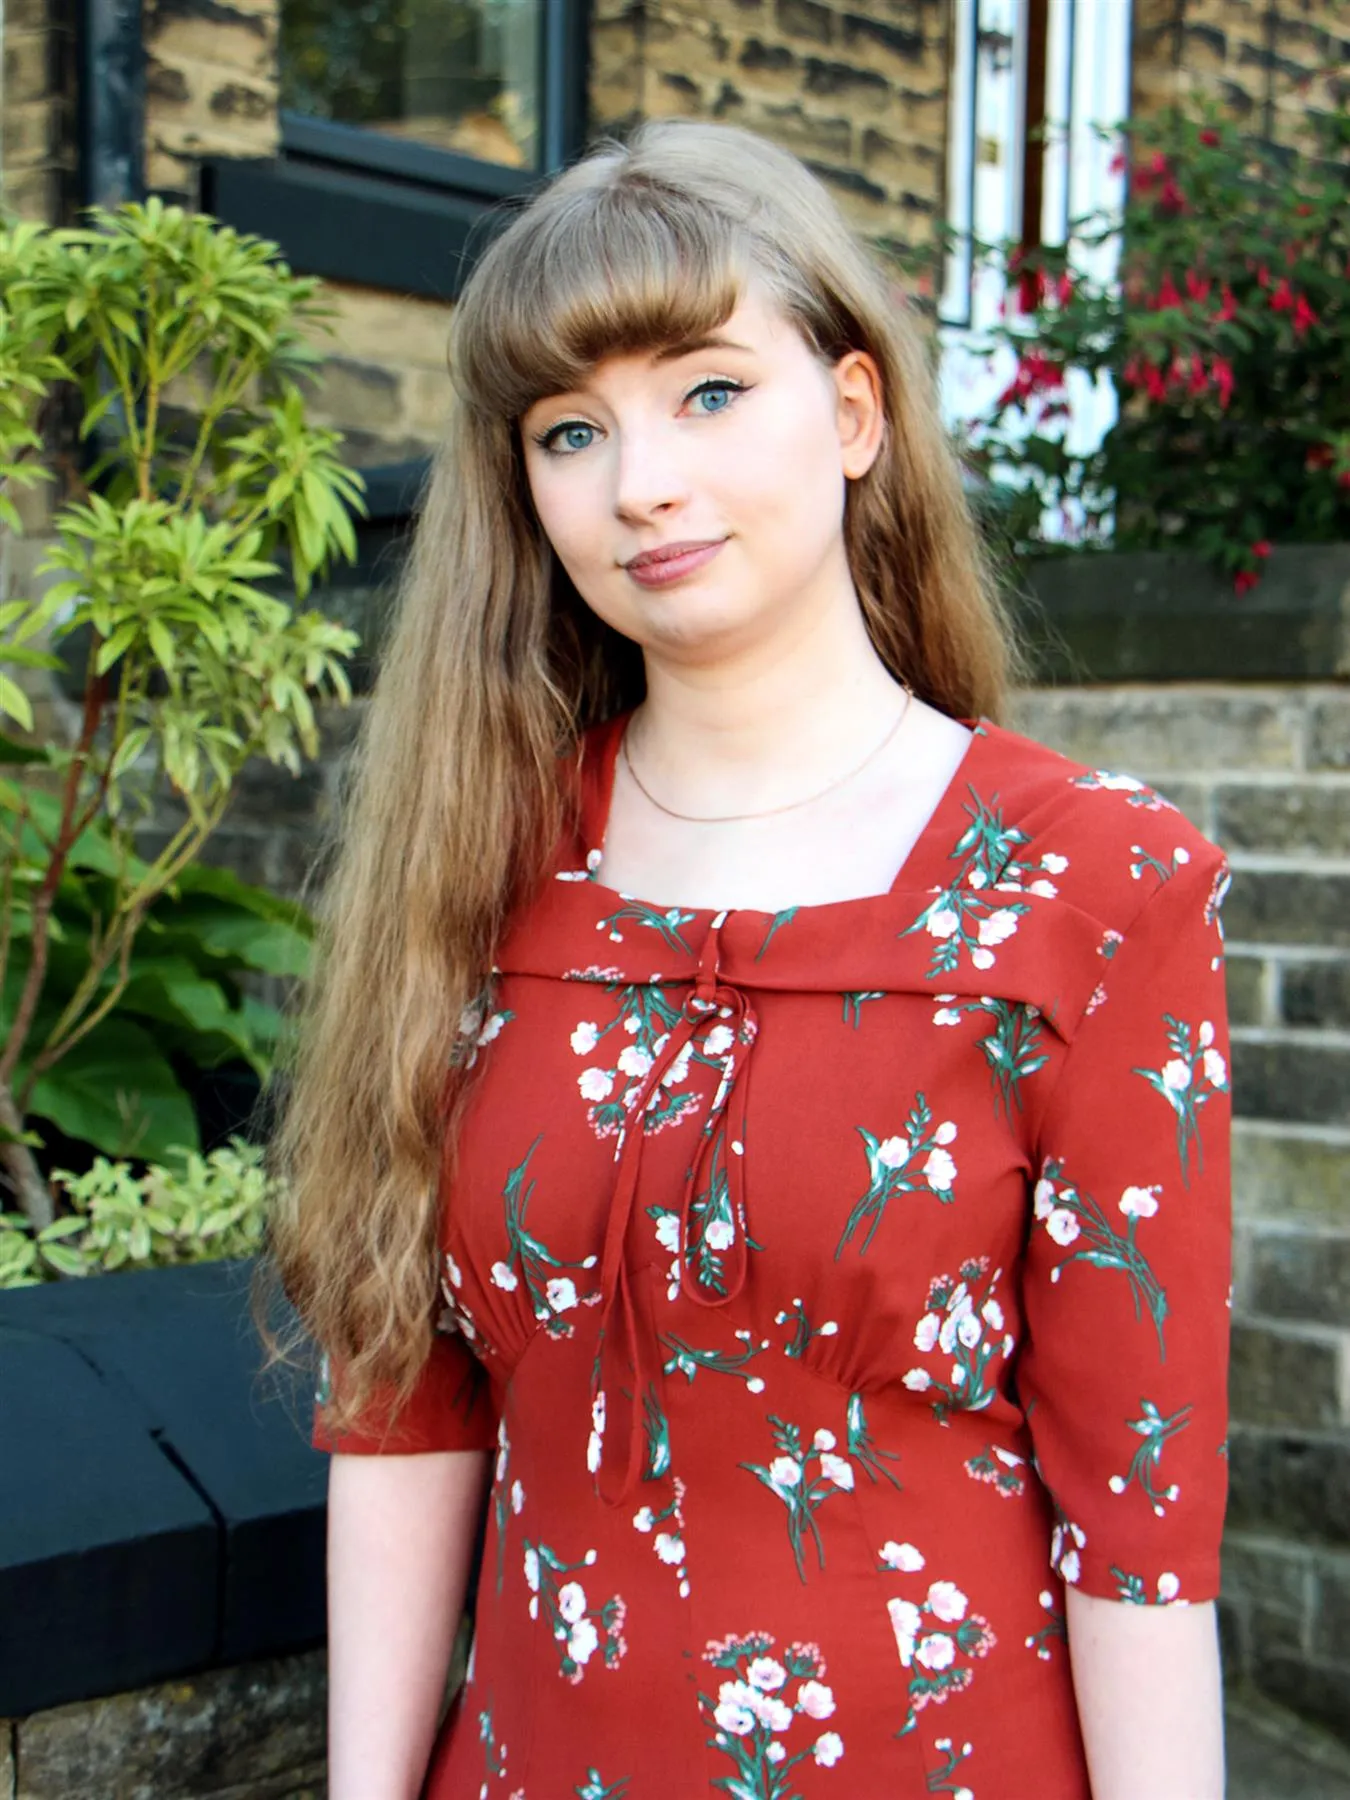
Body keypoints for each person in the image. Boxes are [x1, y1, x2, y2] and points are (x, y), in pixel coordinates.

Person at [266, 119, 1232, 1800]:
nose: (639, 480)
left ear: (852, 414)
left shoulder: (1091, 887)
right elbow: (403, 1404)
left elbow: (1136, 1515)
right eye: (572, 430)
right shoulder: (474, 867)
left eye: (707, 392)